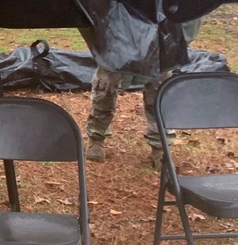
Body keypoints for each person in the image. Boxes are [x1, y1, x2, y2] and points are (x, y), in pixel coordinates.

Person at [85, 17, 201, 167]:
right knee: (105, 85)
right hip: (119, 33)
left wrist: (174, 42)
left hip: (161, 36)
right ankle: (96, 137)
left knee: (159, 91)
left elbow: (190, 16)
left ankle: (160, 148)